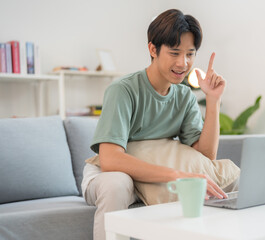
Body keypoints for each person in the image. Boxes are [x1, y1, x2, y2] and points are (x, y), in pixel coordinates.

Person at [81, 9, 235, 240]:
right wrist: (177, 175)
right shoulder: (123, 90)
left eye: (190, 54)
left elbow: (205, 156)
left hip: (153, 174)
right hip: (108, 175)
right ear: (153, 49)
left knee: (228, 180)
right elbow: (110, 159)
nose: (183, 63)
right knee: (117, 183)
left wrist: (213, 100)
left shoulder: (184, 96)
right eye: (175, 53)